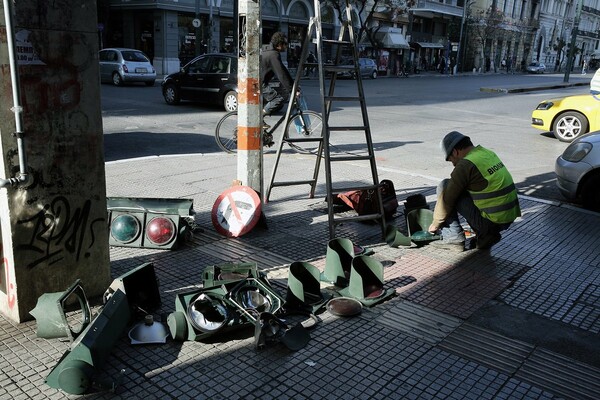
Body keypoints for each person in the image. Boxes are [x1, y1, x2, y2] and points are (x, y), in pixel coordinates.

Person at [427, 131, 521, 251]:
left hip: (492, 221)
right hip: (508, 217)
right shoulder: (486, 153)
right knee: (463, 187)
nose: (453, 164)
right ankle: (485, 236)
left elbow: (447, 199)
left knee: (445, 185)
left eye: (451, 160)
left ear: (455, 152)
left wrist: (435, 224)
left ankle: (453, 238)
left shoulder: (465, 164)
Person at [261, 32, 297, 116]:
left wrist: (293, 86)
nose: (286, 46)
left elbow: (284, 70)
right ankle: (260, 119)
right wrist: (292, 90)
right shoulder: (273, 55)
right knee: (277, 100)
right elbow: (281, 75)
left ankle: (260, 121)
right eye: (285, 44)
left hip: (258, 83)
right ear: (279, 44)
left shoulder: (270, 51)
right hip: (259, 84)